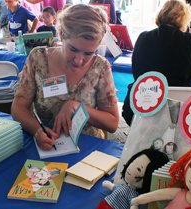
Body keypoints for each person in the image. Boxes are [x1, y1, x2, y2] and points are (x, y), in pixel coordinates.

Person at [11, 4, 119, 150]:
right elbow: (18, 107)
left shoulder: (100, 67)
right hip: (48, 144)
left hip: (88, 147)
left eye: (88, 53)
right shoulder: (38, 59)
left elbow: (112, 123)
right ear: (61, 34)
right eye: (73, 49)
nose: (79, 60)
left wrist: (76, 106)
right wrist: (36, 130)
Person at [122, 0, 191, 126]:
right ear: (184, 20)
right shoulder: (190, 40)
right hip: (177, 110)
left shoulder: (142, 37)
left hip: (142, 104)